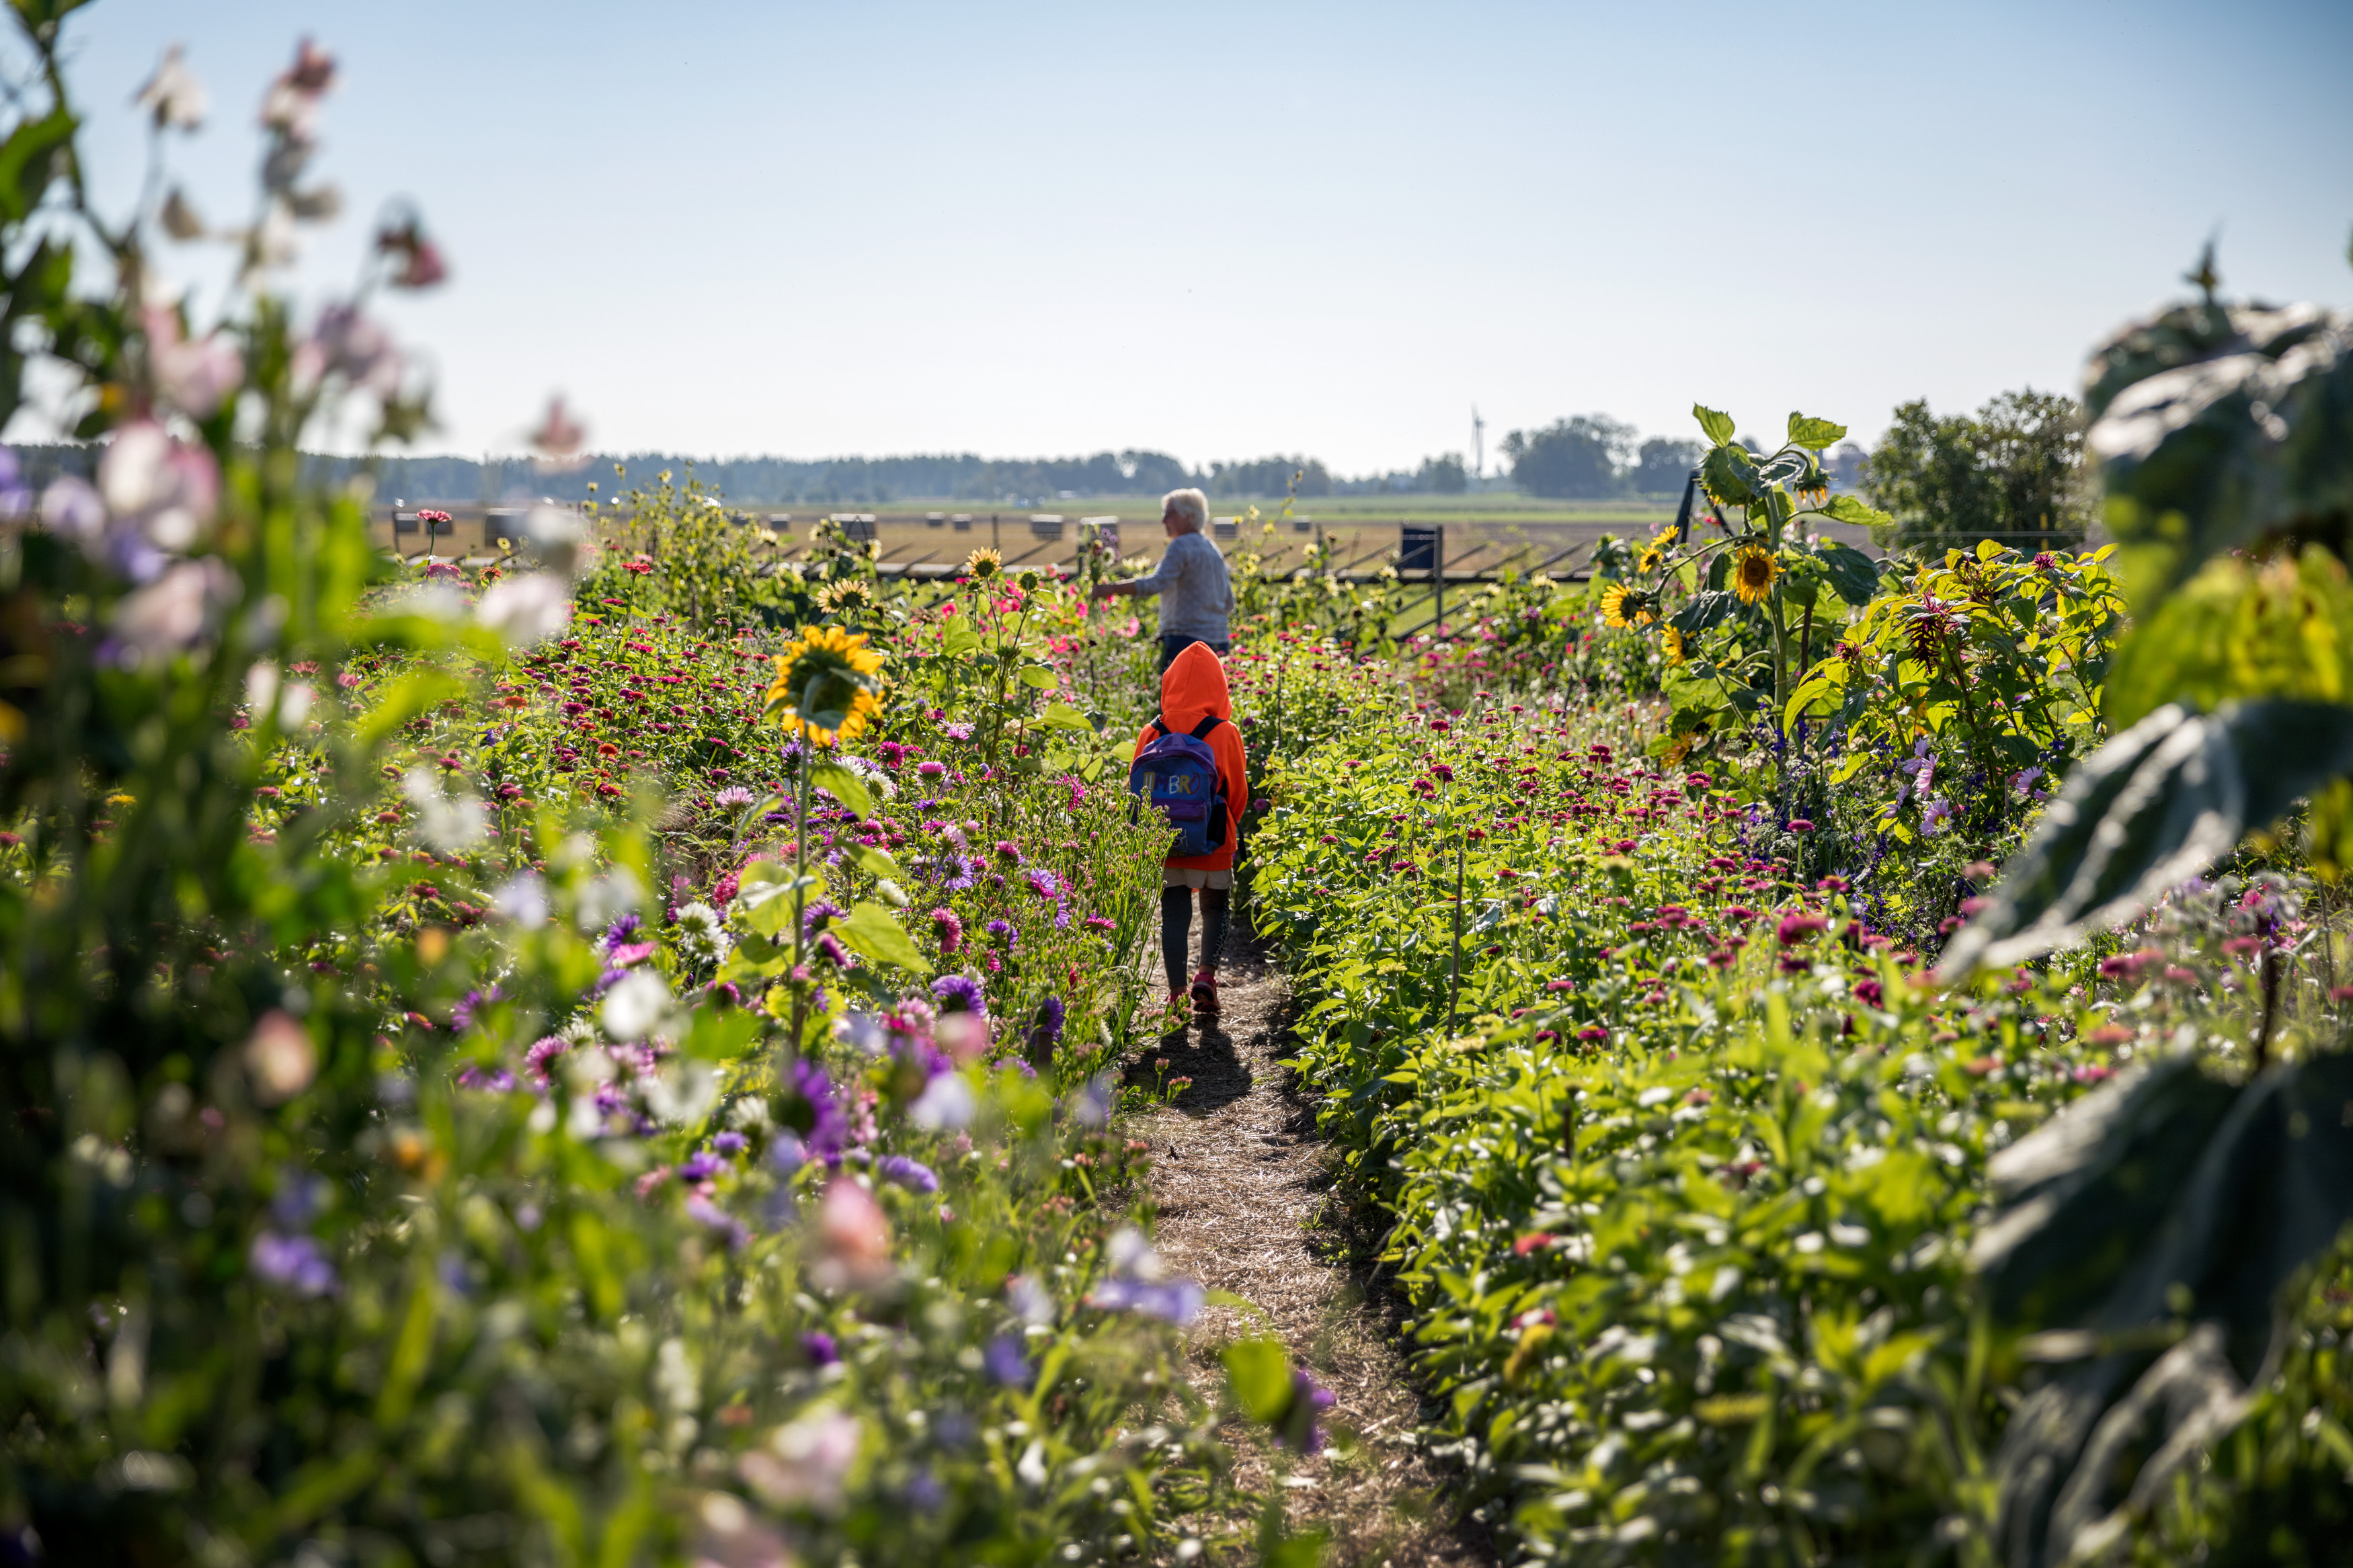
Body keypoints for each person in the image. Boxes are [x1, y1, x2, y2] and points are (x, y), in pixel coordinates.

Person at [1136, 641, 1245, 1020]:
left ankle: (1176, 993)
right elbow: (1237, 792)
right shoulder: (1225, 731)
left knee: (1174, 915)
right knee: (1216, 908)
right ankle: (1206, 978)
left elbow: (1138, 788)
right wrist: (1226, 826)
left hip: (1166, 839)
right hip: (1214, 838)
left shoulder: (1152, 731)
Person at [1090, 487, 1233, 675]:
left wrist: (1108, 589)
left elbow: (1155, 584)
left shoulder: (1181, 546)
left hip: (1187, 643)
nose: (1163, 520)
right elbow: (1229, 602)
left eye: (1169, 514)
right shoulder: (1212, 549)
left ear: (1187, 516)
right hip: (1219, 642)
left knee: (1177, 703)